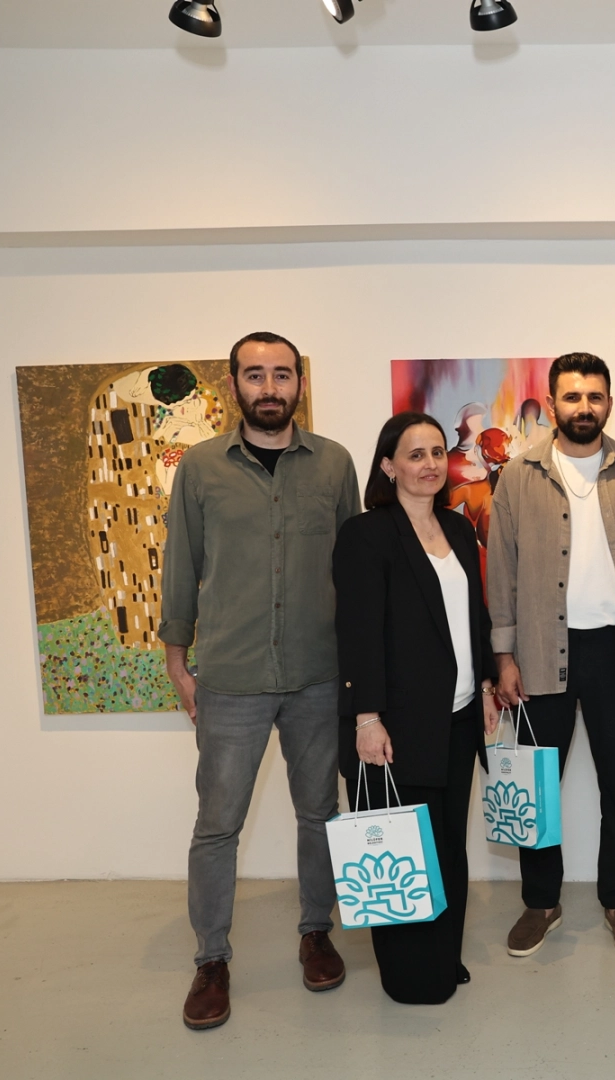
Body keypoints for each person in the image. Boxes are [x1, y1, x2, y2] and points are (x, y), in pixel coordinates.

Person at [161, 331, 361, 1030]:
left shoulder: (334, 464)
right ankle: (211, 959)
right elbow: (181, 564)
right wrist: (177, 660)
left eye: (281, 374)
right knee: (218, 825)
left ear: (299, 382)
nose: (269, 387)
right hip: (232, 676)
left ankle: (316, 931)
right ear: (233, 385)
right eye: (255, 375)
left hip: (318, 673)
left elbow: (354, 570)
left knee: (319, 814)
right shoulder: (201, 468)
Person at [486, 352, 615, 960]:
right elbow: (501, 570)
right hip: (541, 652)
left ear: (609, 402)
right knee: (537, 787)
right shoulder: (518, 476)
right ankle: (541, 902)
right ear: (552, 403)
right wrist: (504, 657)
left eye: (594, 396)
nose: (584, 406)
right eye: (572, 396)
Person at [333, 412, 501, 1004]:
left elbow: (474, 618)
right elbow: (357, 633)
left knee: (448, 845)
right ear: (388, 466)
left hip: (457, 718)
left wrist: (485, 687)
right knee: (402, 852)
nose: (430, 464)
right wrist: (366, 717)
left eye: (436, 452)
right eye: (414, 454)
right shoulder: (366, 534)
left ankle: (444, 955)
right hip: (396, 726)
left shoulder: (455, 527)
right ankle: (408, 975)